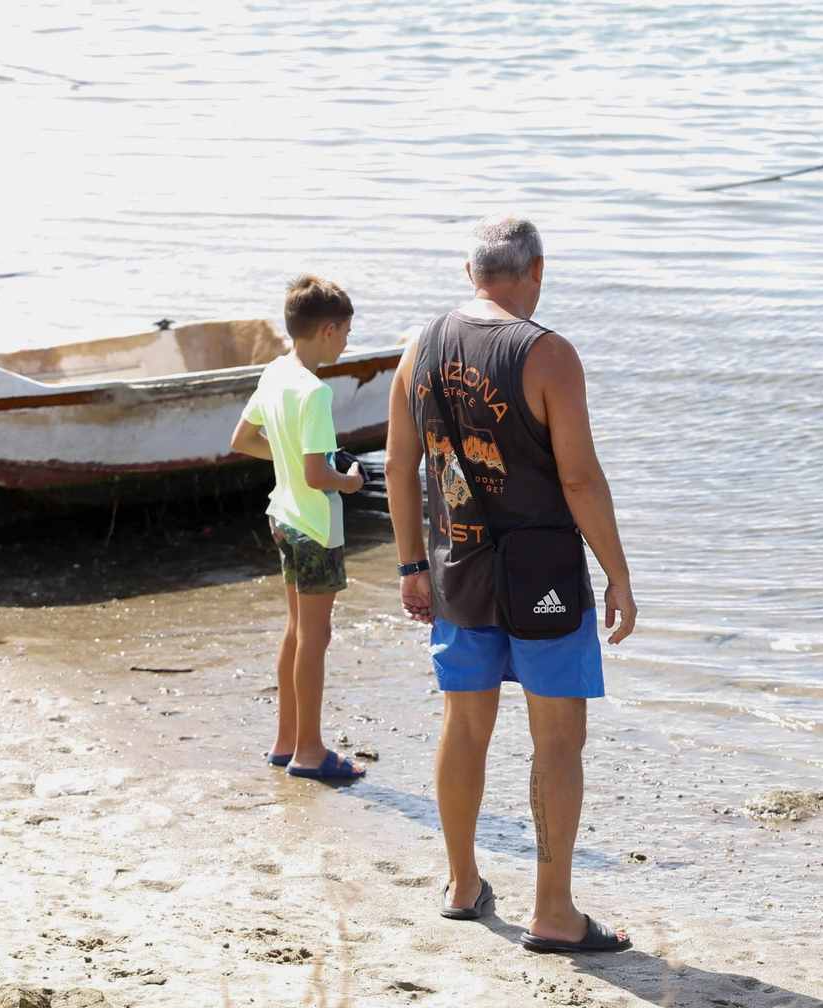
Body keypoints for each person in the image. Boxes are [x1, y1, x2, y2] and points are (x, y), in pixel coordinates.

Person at [384, 216, 638, 953]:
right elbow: (580, 477)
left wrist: (409, 566)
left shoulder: (419, 347)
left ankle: (462, 884)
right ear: (537, 270)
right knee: (558, 740)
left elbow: (399, 468)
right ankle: (553, 911)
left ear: (471, 274)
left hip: (456, 566)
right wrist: (618, 574)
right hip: (544, 575)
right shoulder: (547, 353)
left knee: (464, 726)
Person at [231, 274, 368, 782]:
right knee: (316, 635)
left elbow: (241, 438)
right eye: (347, 332)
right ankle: (309, 752)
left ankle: (285, 740)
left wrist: (286, 456)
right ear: (328, 330)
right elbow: (318, 474)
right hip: (314, 523)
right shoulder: (315, 394)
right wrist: (350, 483)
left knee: (296, 630)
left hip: (281, 517)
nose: (348, 342)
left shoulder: (274, 372)